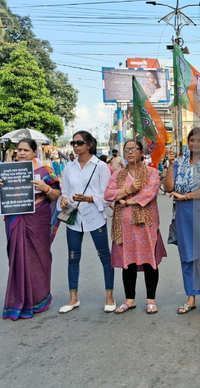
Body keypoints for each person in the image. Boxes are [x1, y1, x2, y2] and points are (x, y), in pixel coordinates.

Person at [0, 139, 62, 320]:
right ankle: (20, 301)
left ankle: (40, 299)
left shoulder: (44, 171)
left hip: (38, 220)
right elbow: (2, 202)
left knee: (39, 258)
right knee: (18, 258)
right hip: (16, 220)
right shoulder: (8, 172)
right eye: (19, 150)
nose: (21, 153)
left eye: (26, 150)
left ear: (34, 152)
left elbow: (56, 195)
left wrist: (45, 188)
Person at [164, 127, 200, 316]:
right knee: (187, 256)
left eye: (199, 140)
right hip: (183, 216)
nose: (195, 143)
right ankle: (190, 297)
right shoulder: (179, 163)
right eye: (192, 140)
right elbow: (169, 187)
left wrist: (186, 196)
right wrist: (170, 164)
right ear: (187, 142)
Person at [105, 140, 167, 314]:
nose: (130, 152)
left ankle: (150, 300)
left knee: (149, 262)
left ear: (141, 152)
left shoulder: (151, 172)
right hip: (124, 226)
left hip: (145, 226)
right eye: (127, 150)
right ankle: (129, 300)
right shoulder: (118, 174)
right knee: (128, 262)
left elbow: (150, 192)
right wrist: (128, 190)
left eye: (134, 149)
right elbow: (108, 194)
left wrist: (125, 201)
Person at [59, 131, 115, 314]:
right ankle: (73, 298)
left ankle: (109, 296)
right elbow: (65, 191)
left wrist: (89, 198)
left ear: (89, 145)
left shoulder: (100, 167)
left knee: (105, 257)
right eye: (73, 142)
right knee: (73, 257)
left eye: (79, 142)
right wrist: (64, 199)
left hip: (94, 216)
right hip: (74, 218)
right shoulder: (69, 168)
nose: (75, 145)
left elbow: (107, 196)